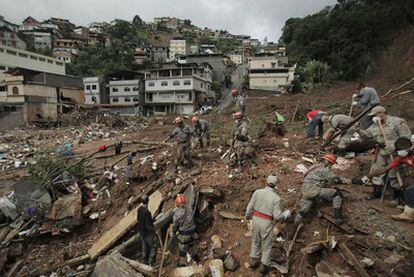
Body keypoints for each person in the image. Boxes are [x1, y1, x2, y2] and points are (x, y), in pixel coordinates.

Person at [294, 154, 364, 225]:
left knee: (303, 211)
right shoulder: (324, 170)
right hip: (313, 190)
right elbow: (336, 179)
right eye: (331, 164)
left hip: (305, 191)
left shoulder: (313, 167)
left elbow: (314, 179)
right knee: (337, 193)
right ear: (327, 162)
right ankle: (338, 217)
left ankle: (294, 224)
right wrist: (354, 181)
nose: (331, 166)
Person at [360, 106, 412, 201]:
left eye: (375, 115)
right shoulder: (375, 125)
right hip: (381, 151)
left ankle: (398, 197)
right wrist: (358, 131)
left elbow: (406, 138)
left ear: (381, 113)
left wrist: (394, 147)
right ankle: (376, 193)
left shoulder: (397, 122)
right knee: (377, 170)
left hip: (396, 153)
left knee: (395, 175)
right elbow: (368, 134)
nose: (373, 117)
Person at [245, 174, 291, 276]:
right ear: (275, 185)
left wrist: (248, 217)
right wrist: (286, 214)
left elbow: (249, 207)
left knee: (255, 241)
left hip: (255, 219)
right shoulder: (276, 198)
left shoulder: (257, 192)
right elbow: (277, 216)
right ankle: (263, 269)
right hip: (266, 222)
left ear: (266, 182)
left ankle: (253, 263)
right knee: (266, 246)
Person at [368, 137, 414, 207]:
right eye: (399, 150)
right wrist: (369, 175)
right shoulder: (401, 158)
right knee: (409, 192)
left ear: (409, 148)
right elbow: (385, 169)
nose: (400, 152)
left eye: (401, 150)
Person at [172, 194, 199, 266]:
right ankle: (197, 260)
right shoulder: (190, 208)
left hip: (184, 234)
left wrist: (174, 232)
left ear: (177, 203)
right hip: (193, 232)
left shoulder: (177, 213)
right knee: (191, 246)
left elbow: (175, 225)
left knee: (182, 250)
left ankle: (183, 265)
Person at [137, 195, 159, 266]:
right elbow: (148, 225)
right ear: (148, 201)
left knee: (144, 246)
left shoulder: (139, 209)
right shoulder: (147, 213)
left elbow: (140, 220)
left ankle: (144, 261)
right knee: (154, 246)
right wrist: (154, 231)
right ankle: (151, 262)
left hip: (141, 232)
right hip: (147, 233)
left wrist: (151, 220)